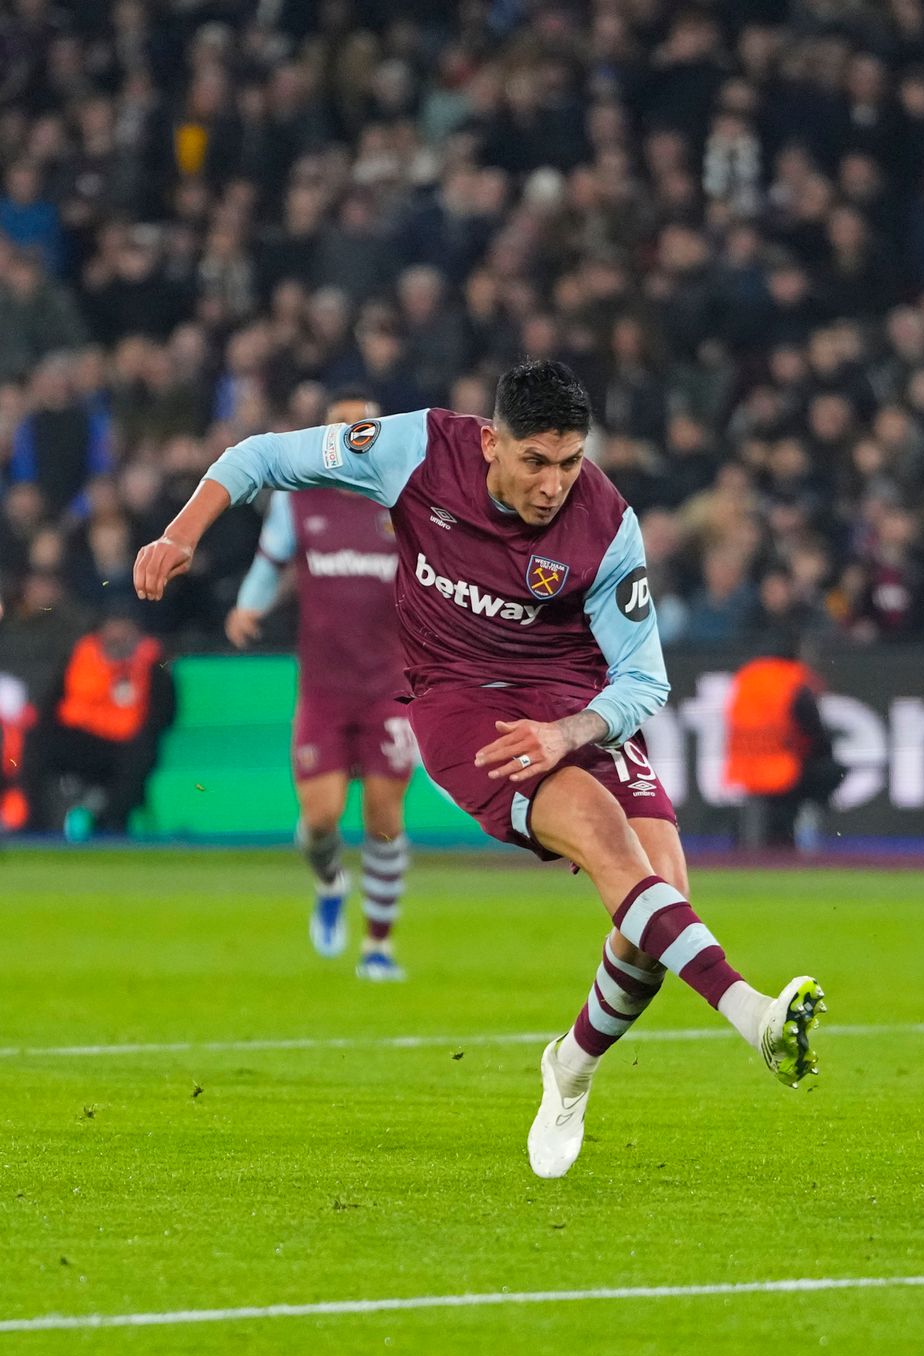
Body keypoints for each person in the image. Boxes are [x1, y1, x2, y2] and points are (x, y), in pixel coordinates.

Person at [134, 361, 824, 1179]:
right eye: (535, 461)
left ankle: (569, 1067)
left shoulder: (606, 523)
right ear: (491, 441)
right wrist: (182, 533)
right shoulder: (416, 450)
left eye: (570, 462)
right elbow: (256, 456)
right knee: (611, 847)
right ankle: (754, 1015)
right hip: (461, 704)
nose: (554, 485)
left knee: (658, 910)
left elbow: (645, 680)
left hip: (571, 705)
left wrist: (571, 728)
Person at [225, 392, 416, 981]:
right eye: (343, 427)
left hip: (391, 686)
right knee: (322, 817)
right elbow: (271, 560)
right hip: (325, 689)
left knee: (384, 817)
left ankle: (378, 947)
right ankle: (331, 882)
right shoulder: (298, 499)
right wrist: (247, 605)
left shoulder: (405, 500)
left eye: (365, 427)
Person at [22, 598, 175, 837]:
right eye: (113, 624)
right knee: (36, 741)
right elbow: (52, 703)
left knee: (141, 754)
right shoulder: (80, 654)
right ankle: (36, 827)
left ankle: (109, 827)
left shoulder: (151, 663)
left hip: (122, 746)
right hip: (79, 739)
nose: (119, 632)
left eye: (125, 625)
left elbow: (162, 714)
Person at [724, 635, 846, 850]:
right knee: (832, 771)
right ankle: (806, 824)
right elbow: (814, 731)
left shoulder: (748, 675)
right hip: (781, 770)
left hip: (744, 768)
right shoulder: (792, 679)